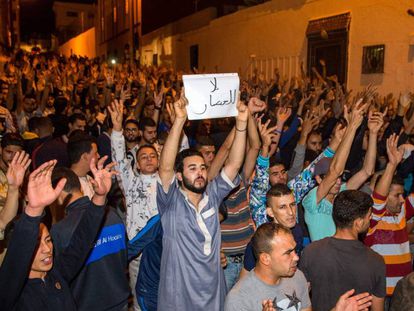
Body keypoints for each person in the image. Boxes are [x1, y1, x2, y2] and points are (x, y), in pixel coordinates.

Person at [157, 92, 247, 310]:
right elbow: (166, 167)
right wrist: (179, 121)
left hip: (212, 292)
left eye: (203, 168)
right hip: (178, 296)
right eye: (192, 168)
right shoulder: (171, 202)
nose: (200, 173)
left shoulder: (213, 194)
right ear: (180, 176)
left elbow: (234, 164)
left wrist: (242, 122)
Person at [0, 157, 114, 310]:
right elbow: (18, 255)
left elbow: (82, 240)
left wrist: (99, 197)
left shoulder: (56, 273)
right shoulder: (10, 291)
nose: (47, 249)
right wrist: (34, 210)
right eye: (36, 245)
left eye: (48, 240)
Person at [50, 157, 130, 311]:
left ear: (58, 193)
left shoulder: (60, 230)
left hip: (87, 304)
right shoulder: (112, 214)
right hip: (120, 300)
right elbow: (123, 256)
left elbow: (59, 277)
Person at [301, 104, 381, 241]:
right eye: (333, 179)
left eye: (340, 178)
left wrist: (373, 133)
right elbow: (335, 171)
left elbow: (367, 171)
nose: (338, 182)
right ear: (319, 180)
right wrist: (352, 128)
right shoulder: (313, 200)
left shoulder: (341, 194)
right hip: (325, 261)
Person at [109, 99, 159, 311]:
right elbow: (119, 159)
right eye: (143, 157)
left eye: (152, 156)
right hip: (138, 254)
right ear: (137, 164)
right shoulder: (130, 183)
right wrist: (118, 129)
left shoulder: (169, 182)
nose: (148, 160)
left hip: (163, 251)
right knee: (141, 301)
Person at [299, 190, 386, 311]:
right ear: (358, 223)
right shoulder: (376, 261)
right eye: (369, 216)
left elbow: (299, 300)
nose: (370, 219)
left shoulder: (311, 252)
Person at [364, 134, 414, 298]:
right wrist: (392, 164)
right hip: (382, 294)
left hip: (405, 291)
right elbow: (378, 198)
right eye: (397, 195)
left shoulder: (402, 210)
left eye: (403, 195)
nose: (402, 199)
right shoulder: (372, 217)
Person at [225, 222, 310, 311]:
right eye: (288, 253)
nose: (296, 257)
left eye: (294, 250)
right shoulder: (238, 299)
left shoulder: (297, 276)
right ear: (265, 259)